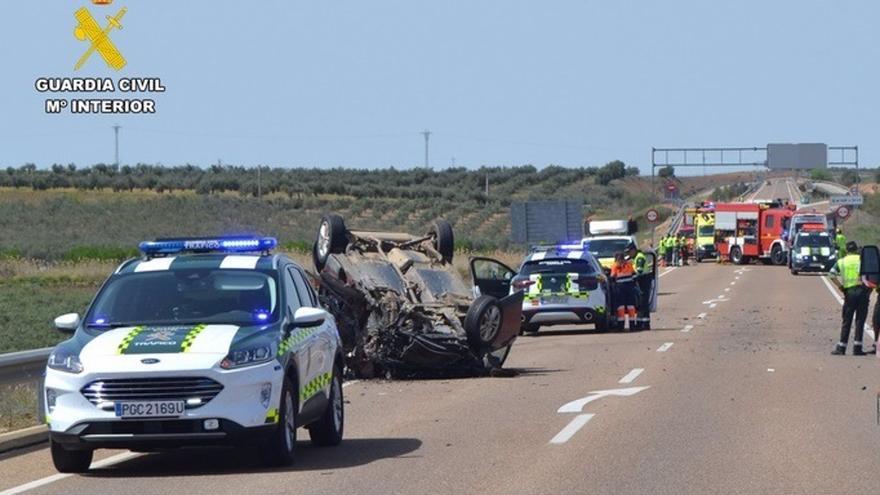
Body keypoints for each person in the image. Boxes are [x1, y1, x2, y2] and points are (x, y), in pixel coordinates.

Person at [831, 241, 870, 355]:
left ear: (847, 250)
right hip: (862, 291)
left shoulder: (842, 261)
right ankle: (857, 348)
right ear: (856, 250)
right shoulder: (862, 260)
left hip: (849, 293)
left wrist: (840, 287)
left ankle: (841, 347)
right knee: (860, 320)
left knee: (847, 320)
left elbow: (831, 274)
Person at [610, 252, 638, 331]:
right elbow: (634, 276)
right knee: (631, 306)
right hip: (630, 288)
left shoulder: (615, 266)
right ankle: (632, 325)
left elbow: (612, 277)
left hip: (620, 289)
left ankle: (621, 326)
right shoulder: (629, 265)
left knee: (620, 307)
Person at [628, 243, 652, 330]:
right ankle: (640, 323)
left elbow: (639, 271)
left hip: (644, 281)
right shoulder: (636, 257)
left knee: (643, 303)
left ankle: (645, 324)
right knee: (640, 304)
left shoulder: (639, 257)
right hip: (642, 281)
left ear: (633, 250)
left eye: (629, 252)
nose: (629, 254)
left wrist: (630, 278)